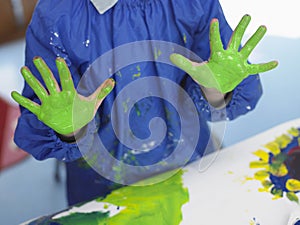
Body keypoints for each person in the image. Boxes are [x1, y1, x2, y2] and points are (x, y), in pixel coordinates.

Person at [11, 0, 277, 206]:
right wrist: (70, 129)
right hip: (101, 183)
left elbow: (225, 91)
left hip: (192, 161)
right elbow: (45, 117)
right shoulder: (57, 16)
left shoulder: (192, 4)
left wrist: (216, 89)